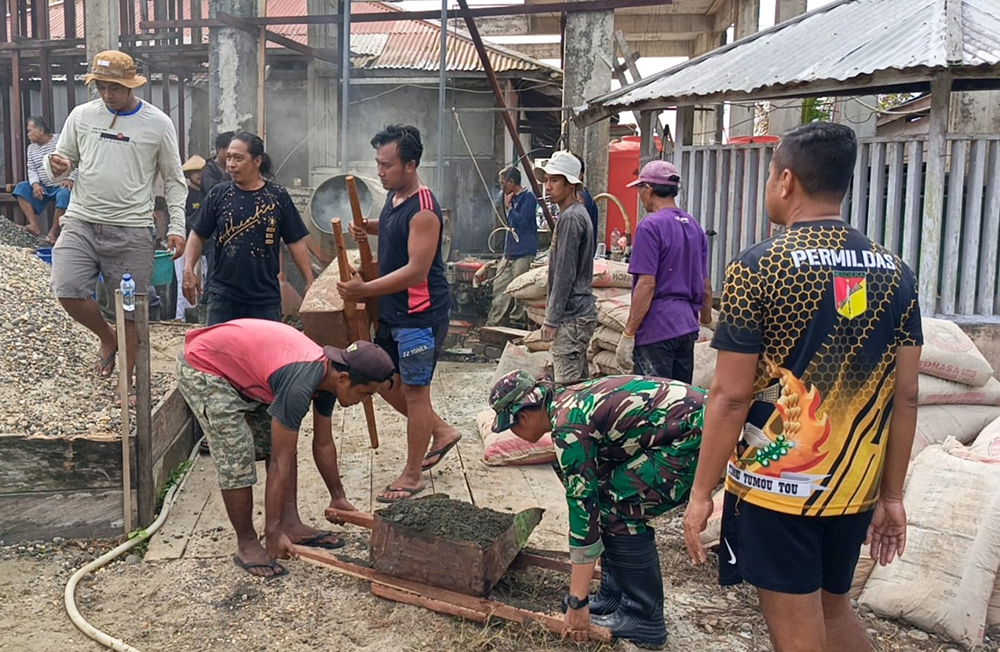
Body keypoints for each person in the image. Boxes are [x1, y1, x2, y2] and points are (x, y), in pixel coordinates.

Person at [682, 123, 922, 652]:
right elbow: (906, 396)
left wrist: (702, 492)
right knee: (832, 607)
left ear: (786, 180)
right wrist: (894, 495)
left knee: (795, 628)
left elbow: (730, 395)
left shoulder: (758, 267)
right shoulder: (896, 273)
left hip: (781, 483)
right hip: (855, 483)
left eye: (770, 174)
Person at [489, 370, 705, 648]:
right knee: (607, 494)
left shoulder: (569, 427)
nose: (514, 433)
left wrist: (576, 601)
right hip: (691, 427)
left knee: (619, 506)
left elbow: (582, 510)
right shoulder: (567, 402)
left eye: (511, 426)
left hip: (696, 438)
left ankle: (644, 617)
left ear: (523, 416)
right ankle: (617, 596)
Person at [176, 319, 396, 578]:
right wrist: (272, 533)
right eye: (365, 394)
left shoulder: (330, 379)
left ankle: (290, 524)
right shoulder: (301, 385)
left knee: (281, 445)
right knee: (237, 456)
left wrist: (337, 496)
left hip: (247, 369)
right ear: (345, 378)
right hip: (206, 366)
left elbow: (323, 443)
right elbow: (280, 463)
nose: (363, 401)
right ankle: (248, 542)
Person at [45, 50, 186, 404]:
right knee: (66, 287)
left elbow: (174, 179)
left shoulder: (157, 123)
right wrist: (56, 166)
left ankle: (130, 381)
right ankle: (106, 337)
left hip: (132, 228)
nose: (108, 95)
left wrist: (177, 225)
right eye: (102, 87)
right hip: (81, 219)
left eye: (115, 88)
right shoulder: (82, 115)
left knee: (132, 309)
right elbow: (59, 166)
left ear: (132, 86)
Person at [340, 124, 462, 504]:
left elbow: (415, 272)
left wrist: (363, 290)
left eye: (387, 165)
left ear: (410, 165)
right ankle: (441, 431)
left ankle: (412, 475)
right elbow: (396, 228)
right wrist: (370, 228)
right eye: (377, 164)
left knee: (415, 392)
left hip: (419, 317)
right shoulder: (394, 199)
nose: (380, 172)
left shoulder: (425, 209)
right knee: (380, 379)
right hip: (394, 313)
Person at [182, 132, 314, 325]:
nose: (231, 165)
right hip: (223, 297)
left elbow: (294, 242)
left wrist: (310, 280)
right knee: (221, 352)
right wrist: (188, 268)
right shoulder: (219, 194)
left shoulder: (277, 197)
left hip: (264, 299)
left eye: (238, 158)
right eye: (228, 158)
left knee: (262, 354)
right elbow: (197, 234)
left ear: (257, 161)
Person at [615, 161, 712, 382]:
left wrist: (628, 334)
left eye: (640, 189)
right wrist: (705, 321)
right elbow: (705, 283)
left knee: (655, 404)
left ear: (648, 189)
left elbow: (647, 285)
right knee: (680, 401)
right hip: (686, 327)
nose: (640, 195)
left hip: (657, 329)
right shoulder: (694, 225)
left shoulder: (650, 226)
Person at [534, 151, 596, 385]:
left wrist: (551, 318)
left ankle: (569, 423)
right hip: (579, 312)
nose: (548, 186)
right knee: (579, 385)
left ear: (571, 185)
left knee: (567, 389)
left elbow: (564, 274)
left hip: (572, 316)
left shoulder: (571, 218)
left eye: (555, 180)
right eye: (546, 180)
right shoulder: (574, 214)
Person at [486, 167, 538, 326]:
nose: (501, 186)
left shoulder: (528, 198)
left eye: (503, 183)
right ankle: (494, 322)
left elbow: (522, 221)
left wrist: (510, 208)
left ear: (511, 182)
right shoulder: (511, 198)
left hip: (524, 251)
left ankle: (517, 322)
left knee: (520, 290)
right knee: (500, 286)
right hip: (509, 252)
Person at [13, 116, 76, 244]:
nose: (28, 134)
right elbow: (32, 169)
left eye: (30, 131)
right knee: (21, 188)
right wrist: (35, 184)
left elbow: (76, 160)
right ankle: (34, 225)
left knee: (64, 193)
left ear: (40, 130)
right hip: (44, 187)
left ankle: (53, 232)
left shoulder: (60, 140)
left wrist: (71, 178)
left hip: (61, 186)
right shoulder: (31, 148)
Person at [174, 155, 206, 321]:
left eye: (202, 172)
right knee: (183, 279)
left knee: (203, 280)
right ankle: (180, 318)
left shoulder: (206, 194)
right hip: (184, 243)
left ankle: (199, 316)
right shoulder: (185, 195)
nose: (199, 176)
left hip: (203, 245)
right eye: (195, 173)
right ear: (189, 175)